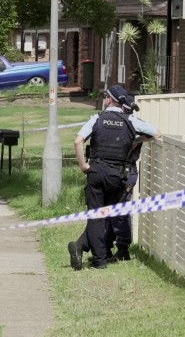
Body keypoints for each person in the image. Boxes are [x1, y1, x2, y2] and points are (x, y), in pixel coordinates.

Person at [68, 84, 160, 271]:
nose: (103, 99)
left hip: (96, 171)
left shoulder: (97, 119)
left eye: (104, 96)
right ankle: (92, 252)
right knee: (108, 214)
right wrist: (137, 140)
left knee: (95, 217)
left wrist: (83, 165)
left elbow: (78, 141)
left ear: (109, 100)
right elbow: (156, 133)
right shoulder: (130, 121)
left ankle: (99, 260)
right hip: (118, 175)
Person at [103, 94, 149, 262]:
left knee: (120, 212)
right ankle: (106, 247)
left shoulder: (133, 123)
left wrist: (137, 141)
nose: (128, 112)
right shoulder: (120, 121)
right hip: (114, 170)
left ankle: (123, 249)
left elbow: (154, 133)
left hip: (127, 171)